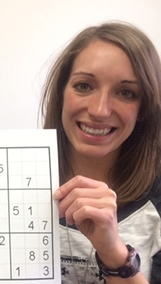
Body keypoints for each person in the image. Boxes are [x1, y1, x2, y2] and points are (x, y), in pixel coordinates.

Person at [41, 22, 161, 284]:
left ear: (145, 108)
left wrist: (114, 253)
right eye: (84, 86)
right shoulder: (12, 183)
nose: (99, 110)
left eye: (126, 93)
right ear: (62, 93)